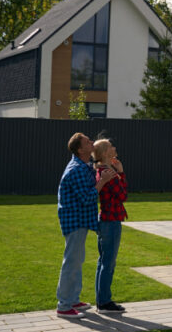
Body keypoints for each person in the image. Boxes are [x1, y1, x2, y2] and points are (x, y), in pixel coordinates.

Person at [55, 132, 117, 318]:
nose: (92, 143)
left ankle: (73, 299)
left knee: (77, 261)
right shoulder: (76, 170)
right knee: (71, 263)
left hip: (79, 221)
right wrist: (103, 181)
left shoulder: (83, 166)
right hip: (75, 222)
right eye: (88, 142)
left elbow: (93, 171)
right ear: (81, 150)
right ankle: (64, 306)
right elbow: (87, 197)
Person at [93, 138, 128, 313]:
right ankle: (105, 303)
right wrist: (121, 172)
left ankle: (101, 301)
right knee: (108, 263)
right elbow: (123, 195)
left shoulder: (101, 171)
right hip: (111, 221)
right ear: (106, 152)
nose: (114, 148)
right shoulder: (109, 173)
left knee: (103, 261)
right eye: (111, 146)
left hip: (104, 219)